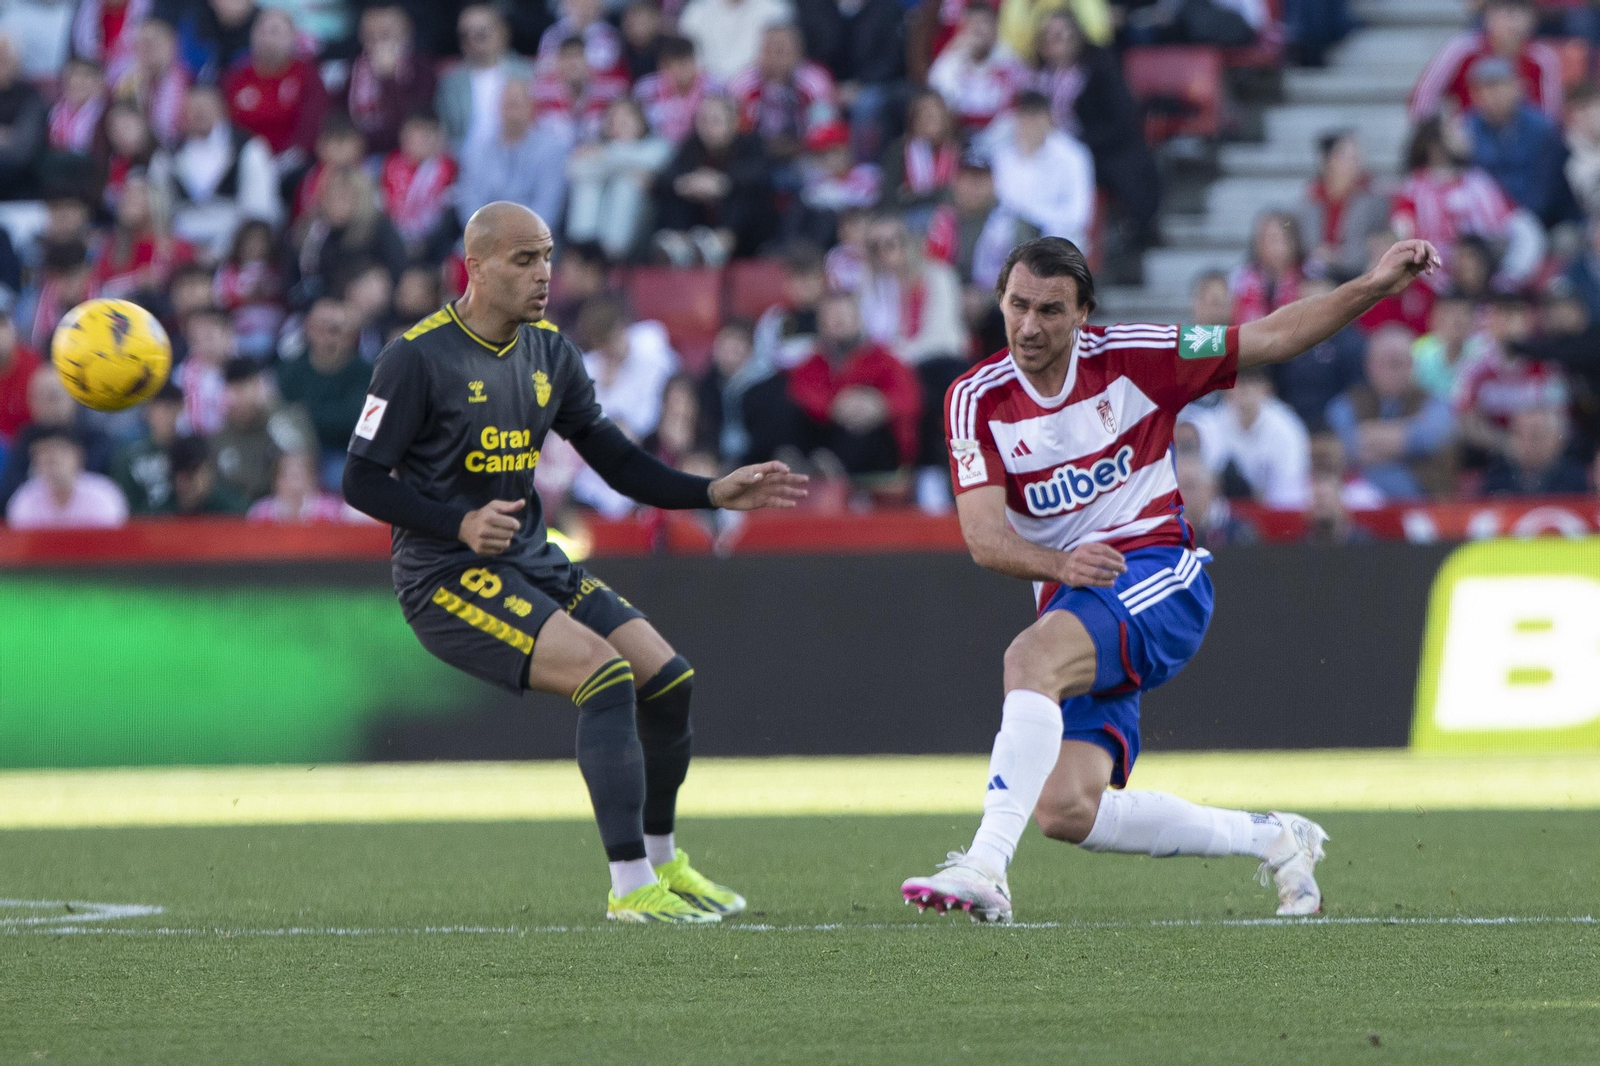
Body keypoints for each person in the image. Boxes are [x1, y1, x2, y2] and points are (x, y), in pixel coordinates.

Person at [900, 234, 1443, 922]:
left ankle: (985, 866)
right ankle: (1275, 837)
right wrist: (1060, 566)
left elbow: (1269, 338)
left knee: (1027, 656)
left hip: (1158, 573)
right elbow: (982, 538)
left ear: (1083, 314)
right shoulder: (974, 399)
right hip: (1074, 598)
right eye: (1017, 305)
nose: (1029, 325)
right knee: (1067, 809)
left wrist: (1371, 285)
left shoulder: (1139, 357)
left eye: (1050, 309)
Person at [340, 202, 807, 921]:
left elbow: (615, 461)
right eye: (524, 260)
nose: (544, 274)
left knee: (669, 680)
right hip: (444, 576)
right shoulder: (415, 358)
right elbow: (360, 480)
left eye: (548, 256)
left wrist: (709, 491)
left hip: (531, 557)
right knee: (605, 675)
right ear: (478, 264)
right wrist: (458, 522)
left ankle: (661, 863)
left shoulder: (551, 352)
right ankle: (628, 889)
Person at [785, 288, 922, 479]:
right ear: (820, 323)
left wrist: (879, 405)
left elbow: (909, 399)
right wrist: (834, 406)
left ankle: (829, 471)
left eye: (844, 316)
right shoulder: (810, 364)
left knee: (864, 431)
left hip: (877, 443)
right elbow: (801, 394)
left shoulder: (884, 359)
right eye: (831, 317)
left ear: (858, 320)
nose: (838, 322)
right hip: (828, 437)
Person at [1324, 324, 1454, 500]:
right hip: (1360, 510)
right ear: (1369, 365)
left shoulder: (1432, 401)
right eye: (1389, 363)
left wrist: (1369, 436)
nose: (1397, 371)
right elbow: (1344, 445)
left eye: (1403, 363)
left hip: (1422, 508)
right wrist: (1405, 440)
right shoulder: (1348, 402)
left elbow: (1427, 438)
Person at [1409, 0, 1560, 123]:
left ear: (1532, 19)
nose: (1511, 22)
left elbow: (1550, 115)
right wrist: (1428, 136)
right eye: (1502, 12)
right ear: (1487, 16)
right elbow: (1424, 95)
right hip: (1468, 145)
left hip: (1524, 150)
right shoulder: (1461, 48)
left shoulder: (1543, 57)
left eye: (1518, 13)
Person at [454, 77, 573, 232]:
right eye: (508, 105)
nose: (511, 112)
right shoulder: (476, 151)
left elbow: (548, 207)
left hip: (534, 242)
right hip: (485, 240)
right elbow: (469, 201)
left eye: (517, 105)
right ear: (498, 107)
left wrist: (516, 239)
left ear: (531, 107)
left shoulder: (552, 150)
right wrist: (487, 234)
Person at [276, 296, 372, 486]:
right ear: (308, 328)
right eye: (320, 327)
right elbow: (280, 417)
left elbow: (355, 421)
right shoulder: (291, 368)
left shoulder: (365, 373)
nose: (328, 336)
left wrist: (305, 414)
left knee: (340, 476)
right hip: (297, 452)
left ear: (351, 334)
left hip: (343, 451)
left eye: (335, 329)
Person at [1463, 56, 1569, 226]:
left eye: (1499, 87)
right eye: (1484, 89)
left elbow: (1545, 188)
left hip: (1539, 219)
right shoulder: (1466, 130)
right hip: (1487, 220)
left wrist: (1514, 219)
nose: (1492, 96)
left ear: (1517, 88)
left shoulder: (1541, 128)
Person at [564, 97, 673, 260]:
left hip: (642, 228)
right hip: (598, 221)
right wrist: (622, 164)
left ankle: (612, 253)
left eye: (627, 117)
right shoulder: (597, 147)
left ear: (641, 121)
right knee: (588, 185)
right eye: (615, 118)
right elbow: (575, 169)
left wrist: (605, 157)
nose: (621, 123)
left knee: (625, 185)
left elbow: (654, 159)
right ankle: (583, 249)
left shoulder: (657, 146)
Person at [220, 8, 326, 167]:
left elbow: (311, 126)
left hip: (293, 163)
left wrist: (286, 160)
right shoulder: (235, 76)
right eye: (261, 31)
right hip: (242, 161)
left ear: (292, 37)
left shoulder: (307, 75)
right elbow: (226, 123)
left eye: (275, 32)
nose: (267, 38)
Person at [991, 90, 1094, 251]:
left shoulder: (1073, 156)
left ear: (1048, 118)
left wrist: (1032, 216)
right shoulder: (1004, 153)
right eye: (1025, 117)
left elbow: (1078, 215)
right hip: (1009, 240)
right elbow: (1002, 204)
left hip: (1058, 238)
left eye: (1035, 118)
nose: (1030, 125)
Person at [347, 4, 436, 158]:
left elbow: (410, 123)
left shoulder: (421, 68)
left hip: (407, 157)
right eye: (369, 35)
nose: (376, 43)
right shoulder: (356, 67)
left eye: (385, 34)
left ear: (406, 31)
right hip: (360, 155)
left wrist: (387, 78)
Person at [1296, 130, 1387, 279]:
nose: (1357, 164)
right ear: (1329, 160)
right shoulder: (1310, 199)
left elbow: (1373, 247)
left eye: (1357, 157)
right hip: (1315, 274)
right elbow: (1301, 243)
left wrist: (1334, 256)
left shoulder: (1373, 200)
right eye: (1350, 157)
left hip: (1357, 275)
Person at [927, 2, 1025, 133]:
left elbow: (1017, 109)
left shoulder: (1009, 61)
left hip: (1001, 141)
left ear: (995, 28)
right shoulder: (950, 62)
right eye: (972, 24)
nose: (978, 29)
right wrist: (953, 53)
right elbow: (937, 97)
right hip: (960, 138)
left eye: (984, 23)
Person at [5, 428, 128, 529]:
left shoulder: (103, 494)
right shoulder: (25, 498)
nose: (52, 458)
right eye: (43, 452)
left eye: (59, 451)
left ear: (78, 455)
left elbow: (113, 544)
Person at [1478, 406, 1590, 496]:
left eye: (1535, 435)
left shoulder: (1577, 481)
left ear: (1557, 440)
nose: (1526, 443)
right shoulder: (1497, 477)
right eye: (1518, 434)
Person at [110, 381, 183, 514]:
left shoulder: (192, 452)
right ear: (148, 412)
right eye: (165, 409)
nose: (171, 417)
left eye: (177, 409)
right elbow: (121, 503)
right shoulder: (129, 456)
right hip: (142, 528)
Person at [633, 35, 714, 146]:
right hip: (654, 147)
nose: (686, 70)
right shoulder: (645, 89)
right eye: (680, 65)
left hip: (699, 146)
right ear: (664, 66)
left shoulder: (712, 87)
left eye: (689, 63)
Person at [1230, 211, 1304, 325]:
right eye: (1263, 239)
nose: (1269, 246)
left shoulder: (1309, 277)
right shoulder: (1239, 280)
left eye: (1275, 239)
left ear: (1292, 242)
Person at [247, 449, 355, 521]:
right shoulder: (260, 512)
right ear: (276, 481)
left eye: (300, 476)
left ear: (313, 479)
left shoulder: (333, 511)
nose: (294, 483)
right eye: (287, 475)